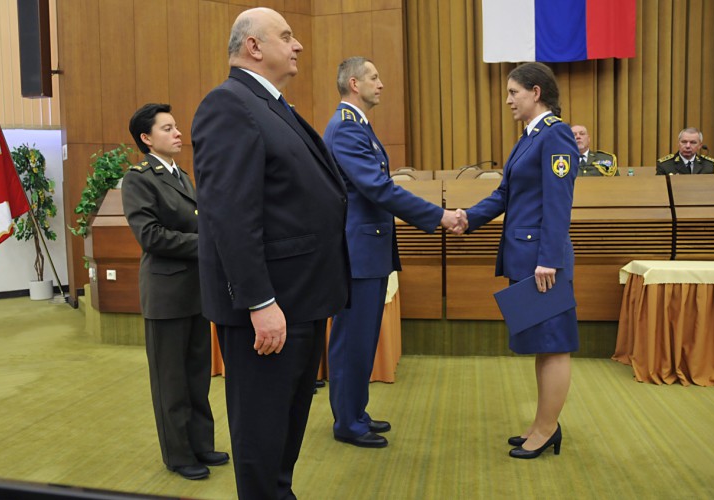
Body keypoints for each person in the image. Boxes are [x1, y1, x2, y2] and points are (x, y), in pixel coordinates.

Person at [190, 8, 351, 499]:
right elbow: (231, 216)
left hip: (300, 299)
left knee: (287, 427)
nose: (298, 44)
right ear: (254, 47)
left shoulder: (269, 103)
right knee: (262, 432)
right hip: (271, 307)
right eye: (286, 36)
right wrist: (260, 302)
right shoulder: (228, 104)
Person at [323, 56, 466, 449]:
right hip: (357, 252)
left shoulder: (358, 128)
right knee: (353, 338)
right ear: (354, 83)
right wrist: (439, 216)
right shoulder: (347, 129)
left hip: (368, 249)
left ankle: (355, 411)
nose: (380, 83)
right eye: (374, 76)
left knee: (363, 336)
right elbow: (379, 189)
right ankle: (347, 423)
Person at [461, 62, 578, 459]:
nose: (508, 100)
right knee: (544, 344)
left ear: (536, 92)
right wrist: (466, 218)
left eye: (514, 92)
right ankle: (541, 425)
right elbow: (504, 195)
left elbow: (559, 204)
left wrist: (548, 259)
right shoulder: (528, 138)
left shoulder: (556, 134)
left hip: (543, 261)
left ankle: (546, 431)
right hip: (526, 257)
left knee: (555, 345)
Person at [121, 103, 229, 480]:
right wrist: (207, 244)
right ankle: (179, 455)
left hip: (196, 292)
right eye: (168, 128)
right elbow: (150, 236)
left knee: (197, 376)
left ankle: (201, 444)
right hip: (166, 295)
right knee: (171, 382)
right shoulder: (138, 179)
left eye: (177, 126)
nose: (178, 133)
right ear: (147, 138)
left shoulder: (182, 176)